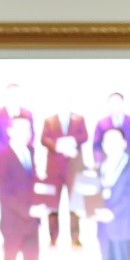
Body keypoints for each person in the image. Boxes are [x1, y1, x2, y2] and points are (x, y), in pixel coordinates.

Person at [0, 116, 48, 260]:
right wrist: (28, 210)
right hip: (13, 223)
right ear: (10, 131)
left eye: (28, 129)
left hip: (32, 222)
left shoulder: (31, 152)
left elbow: (33, 184)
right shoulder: (3, 158)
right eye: (20, 128)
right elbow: (5, 195)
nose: (25, 133)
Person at [38, 99, 88, 249]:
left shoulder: (79, 119)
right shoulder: (49, 120)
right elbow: (43, 139)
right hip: (54, 170)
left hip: (74, 168)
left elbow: (84, 136)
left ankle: (75, 238)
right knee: (52, 205)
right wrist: (58, 146)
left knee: (75, 204)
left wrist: (72, 140)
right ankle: (53, 238)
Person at [93, 127, 130, 260]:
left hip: (123, 225)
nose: (111, 143)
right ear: (103, 145)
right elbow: (95, 194)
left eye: (115, 139)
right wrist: (91, 209)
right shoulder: (100, 166)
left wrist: (112, 212)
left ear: (124, 143)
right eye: (107, 140)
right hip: (103, 227)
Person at [92, 92, 130, 164]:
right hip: (109, 163)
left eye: (117, 103)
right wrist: (99, 162)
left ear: (122, 104)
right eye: (112, 103)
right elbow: (97, 145)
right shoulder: (102, 123)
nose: (115, 106)